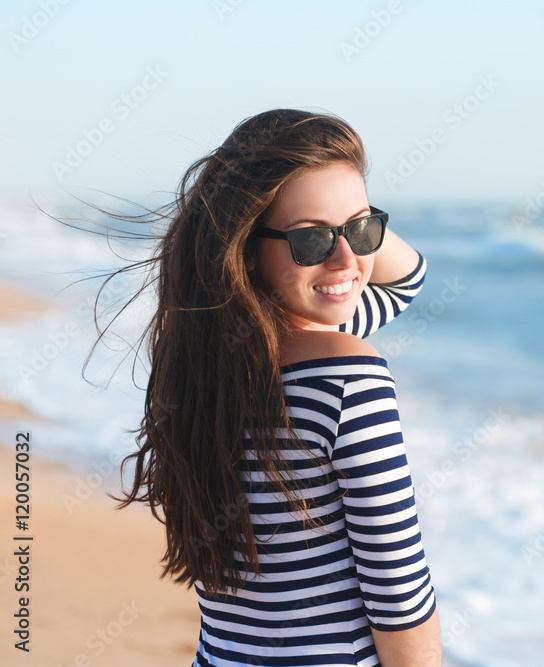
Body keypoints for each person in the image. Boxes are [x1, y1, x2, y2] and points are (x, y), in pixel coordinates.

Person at [112, 108, 442, 666]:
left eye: (365, 230)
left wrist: (333, 228)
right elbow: (399, 598)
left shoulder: (199, 361)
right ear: (244, 245)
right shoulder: (346, 378)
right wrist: (348, 224)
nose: (348, 258)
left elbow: (404, 280)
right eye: (310, 240)